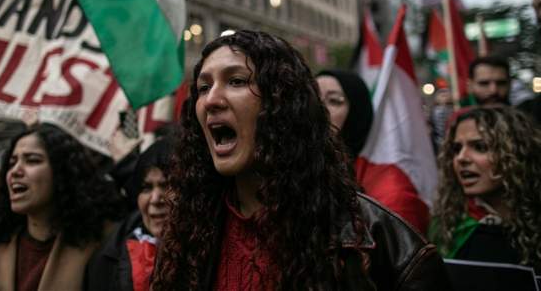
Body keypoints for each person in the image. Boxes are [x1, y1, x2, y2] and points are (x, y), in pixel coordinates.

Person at [152, 30, 450, 290]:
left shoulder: (379, 243)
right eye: (203, 87)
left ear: (282, 106)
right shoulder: (187, 232)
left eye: (237, 81)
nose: (212, 100)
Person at [0, 123, 125, 291]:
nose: (16, 171)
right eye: (11, 163)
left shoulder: (105, 243)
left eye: (32, 161)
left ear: (63, 173)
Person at [316, 70, 430, 234]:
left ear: (357, 113)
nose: (319, 109)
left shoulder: (391, 189)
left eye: (334, 101)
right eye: (312, 97)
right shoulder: (292, 167)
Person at [430, 106, 541, 270]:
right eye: (456, 149)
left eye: (480, 147)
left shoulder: (535, 218)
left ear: (514, 155)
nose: (461, 158)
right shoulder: (449, 226)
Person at [85, 133, 174, 291]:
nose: (154, 199)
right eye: (146, 188)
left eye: (166, 186)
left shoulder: (218, 252)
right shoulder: (109, 258)